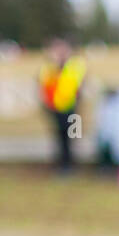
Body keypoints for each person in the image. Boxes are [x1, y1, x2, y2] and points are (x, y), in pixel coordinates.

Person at [37, 36, 87, 174]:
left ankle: (71, 165)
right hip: (55, 109)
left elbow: (79, 84)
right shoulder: (49, 67)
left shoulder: (75, 64)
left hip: (71, 108)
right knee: (59, 138)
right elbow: (44, 85)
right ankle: (61, 164)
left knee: (73, 137)